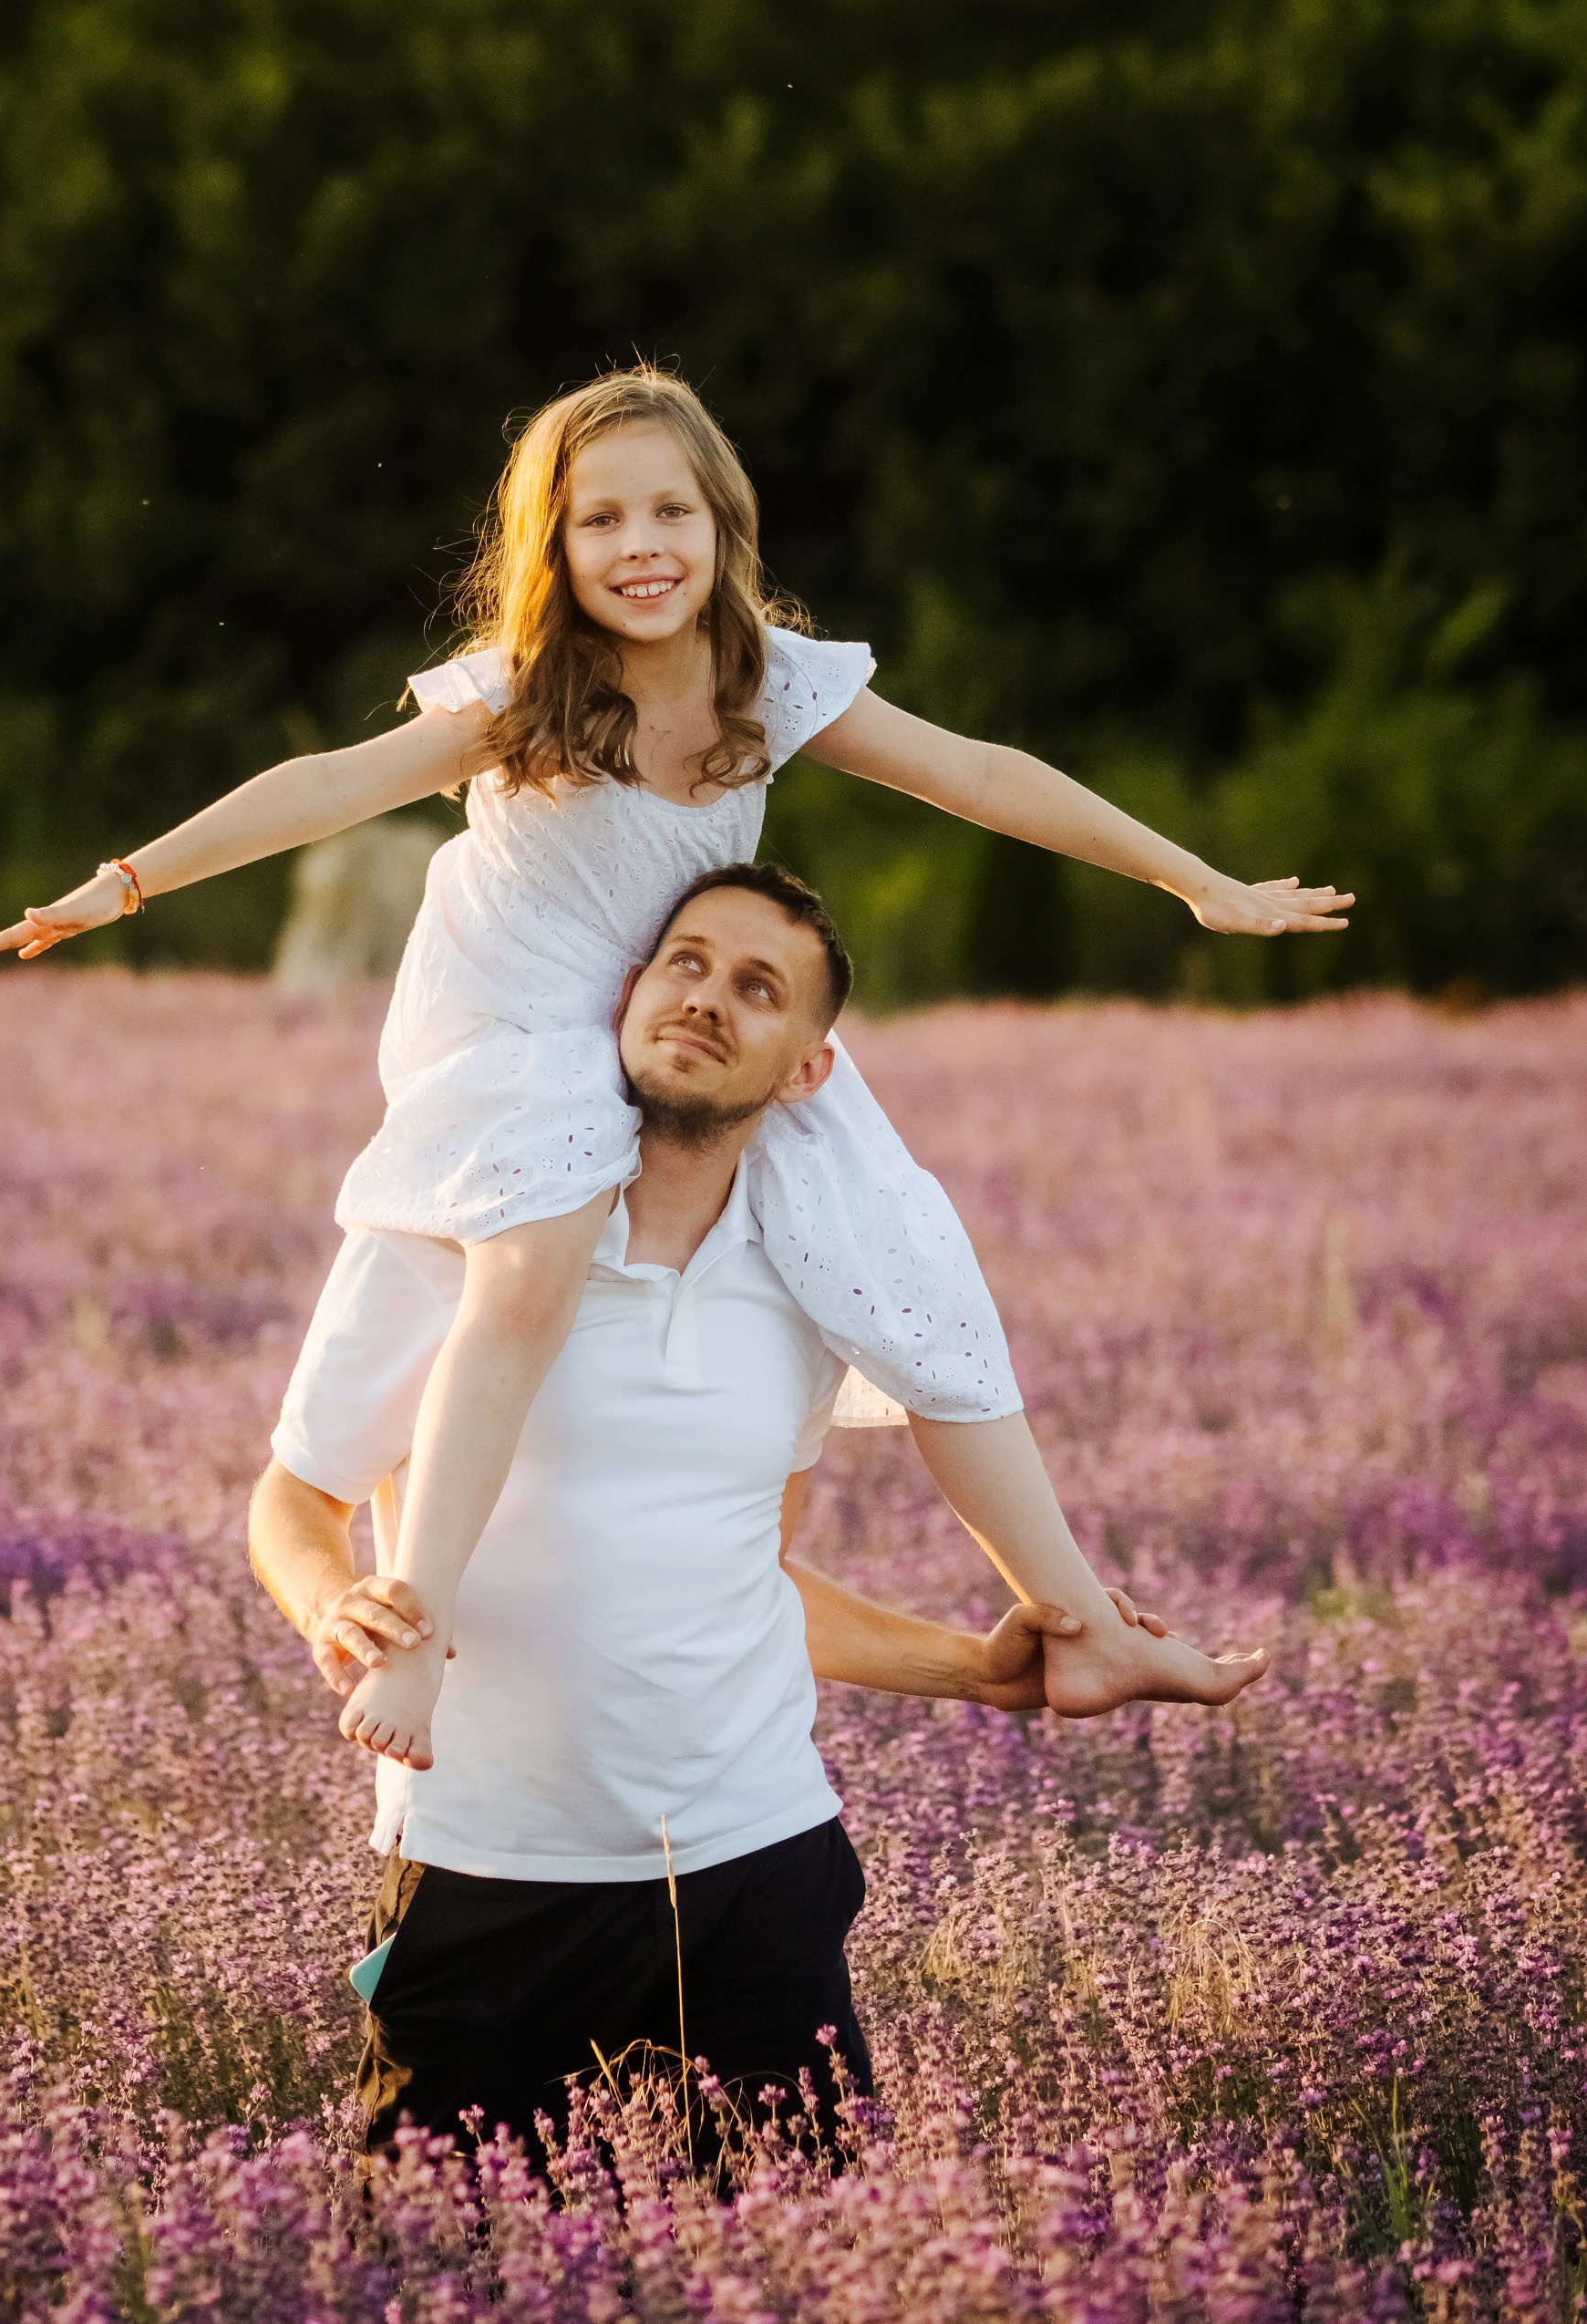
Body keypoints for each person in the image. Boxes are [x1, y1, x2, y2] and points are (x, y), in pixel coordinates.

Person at [0, 366, 1341, 1770]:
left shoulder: (773, 680)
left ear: (722, 526)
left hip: (687, 1013)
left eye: (670, 513)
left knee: (904, 1243)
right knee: (532, 1265)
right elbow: (324, 784)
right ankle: (422, 1618)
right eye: (601, 521)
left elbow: (981, 774)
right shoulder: (521, 696)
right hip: (527, 1029)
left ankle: (1074, 1615)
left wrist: (1195, 882)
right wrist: (126, 882)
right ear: (554, 553)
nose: (641, 548)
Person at [248, 864, 1266, 2160]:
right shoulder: (449, 1235)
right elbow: (298, 1496)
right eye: (686, 962)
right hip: (489, 1868)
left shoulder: (806, 1287)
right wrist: (331, 1601)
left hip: (755, 1861)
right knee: (446, 2264)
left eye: (757, 989)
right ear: (626, 994)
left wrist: (972, 1669)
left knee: (799, 2256)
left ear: (807, 1073)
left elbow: (753, 1570)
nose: (708, 1000)